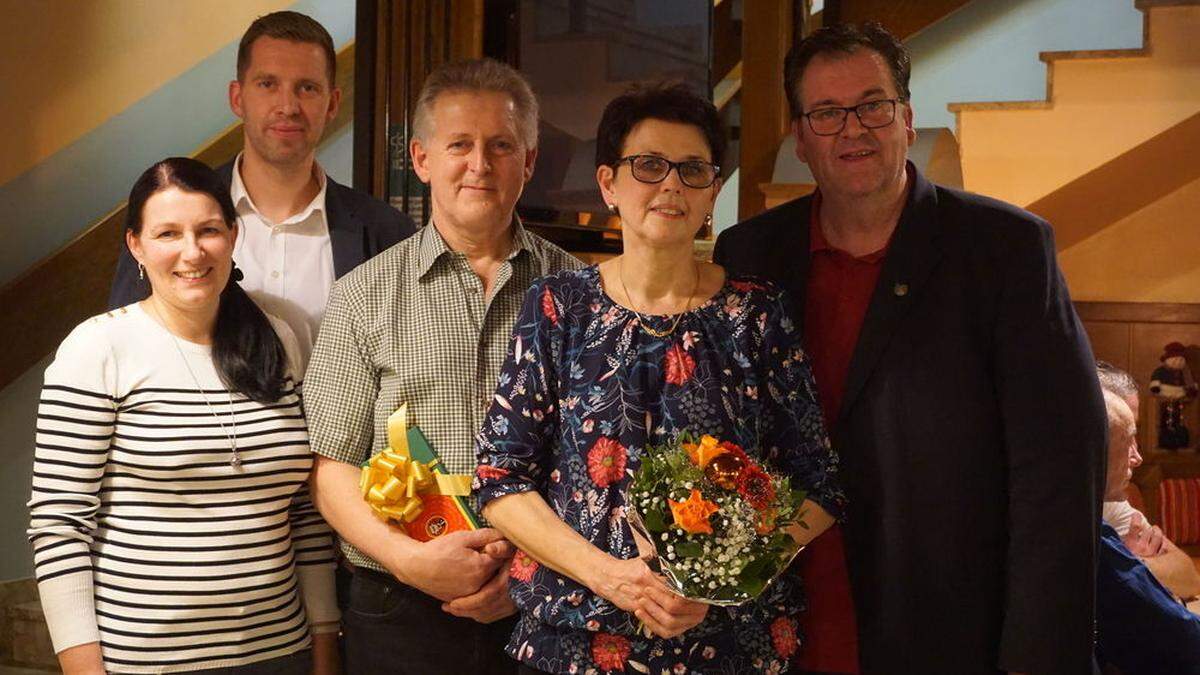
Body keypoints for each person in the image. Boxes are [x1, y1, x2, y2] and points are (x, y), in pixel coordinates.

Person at [713, 22, 1106, 674]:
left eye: (873, 105)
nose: (853, 129)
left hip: (952, 626)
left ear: (906, 118)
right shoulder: (749, 253)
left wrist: (1039, 651)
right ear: (800, 138)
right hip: (785, 619)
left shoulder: (1005, 249)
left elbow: (1060, 471)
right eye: (827, 113)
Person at [474, 82, 845, 675]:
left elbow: (817, 484)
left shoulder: (756, 313)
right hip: (575, 645)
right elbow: (500, 478)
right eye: (648, 165)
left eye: (692, 169)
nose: (671, 183)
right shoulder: (558, 307)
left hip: (731, 648)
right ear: (608, 184)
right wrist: (611, 577)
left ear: (712, 195)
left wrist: (721, 577)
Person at [304, 58, 581, 674]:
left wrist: (531, 568)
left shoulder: (581, 293)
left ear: (529, 162)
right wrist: (409, 561)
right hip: (398, 608)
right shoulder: (363, 294)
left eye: (501, 145)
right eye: (460, 144)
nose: (479, 164)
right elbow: (331, 467)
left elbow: (599, 460)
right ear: (423, 158)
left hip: (549, 605)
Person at [28, 157, 339, 674]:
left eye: (208, 230)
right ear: (136, 246)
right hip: (145, 660)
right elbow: (59, 524)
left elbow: (304, 516)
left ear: (233, 236)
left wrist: (325, 645)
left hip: (280, 652)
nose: (192, 252)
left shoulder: (281, 337)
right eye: (168, 233)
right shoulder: (99, 348)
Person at [109, 10, 415, 364]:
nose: (288, 106)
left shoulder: (387, 232)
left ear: (331, 103)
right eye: (268, 84)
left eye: (307, 88)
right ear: (237, 98)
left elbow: (403, 377)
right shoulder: (167, 216)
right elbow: (126, 346)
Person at [1095, 389, 1200, 674]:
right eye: (1127, 440)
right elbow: (1185, 642)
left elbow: (1187, 575)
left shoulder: (1105, 507)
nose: (1138, 457)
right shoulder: (1094, 534)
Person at [1097, 361, 1200, 600]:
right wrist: (1125, 563)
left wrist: (1134, 562)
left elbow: (1188, 578)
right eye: (1123, 436)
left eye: (1135, 434)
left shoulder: (1112, 502)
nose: (1138, 457)